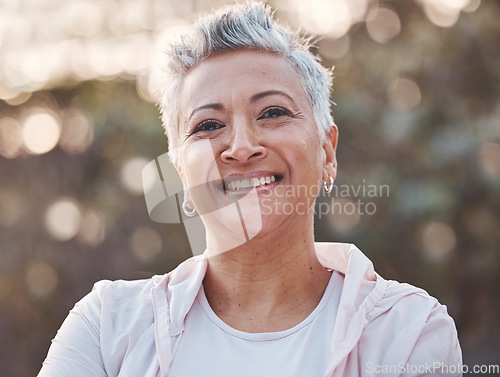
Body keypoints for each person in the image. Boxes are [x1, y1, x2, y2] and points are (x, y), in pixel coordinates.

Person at [38, 2, 462, 376]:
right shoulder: (107, 326)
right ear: (181, 172)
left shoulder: (407, 330)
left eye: (273, 112)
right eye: (208, 125)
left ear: (327, 152)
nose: (241, 147)